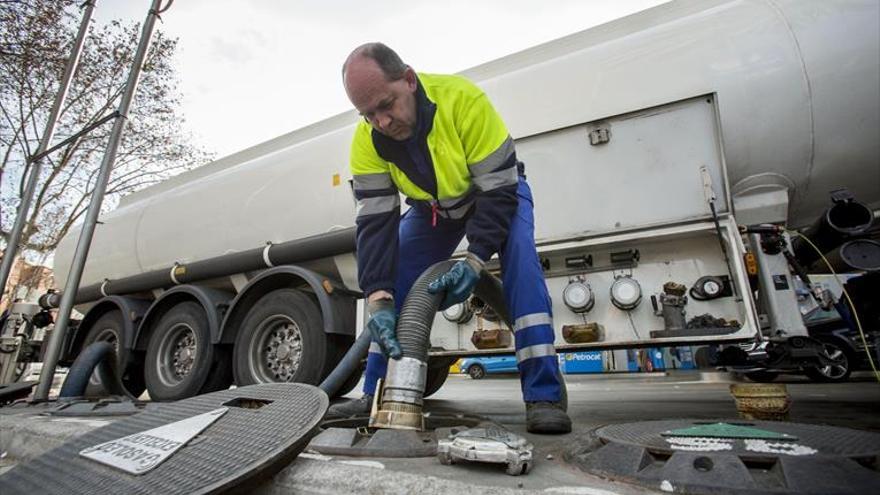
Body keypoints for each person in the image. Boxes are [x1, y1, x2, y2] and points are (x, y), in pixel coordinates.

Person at [328, 42, 571, 434]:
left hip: (495, 193)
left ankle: (544, 395)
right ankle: (372, 395)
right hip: (433, 210)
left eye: (386, 105)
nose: (382, 122)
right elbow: (375, 225)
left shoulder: (463, 101)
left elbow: (498, 192)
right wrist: (378, 297)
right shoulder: (367, 140)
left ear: (408, 79)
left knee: (522, 265)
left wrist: (475, 262)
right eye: (368, 114)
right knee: (393, 276)